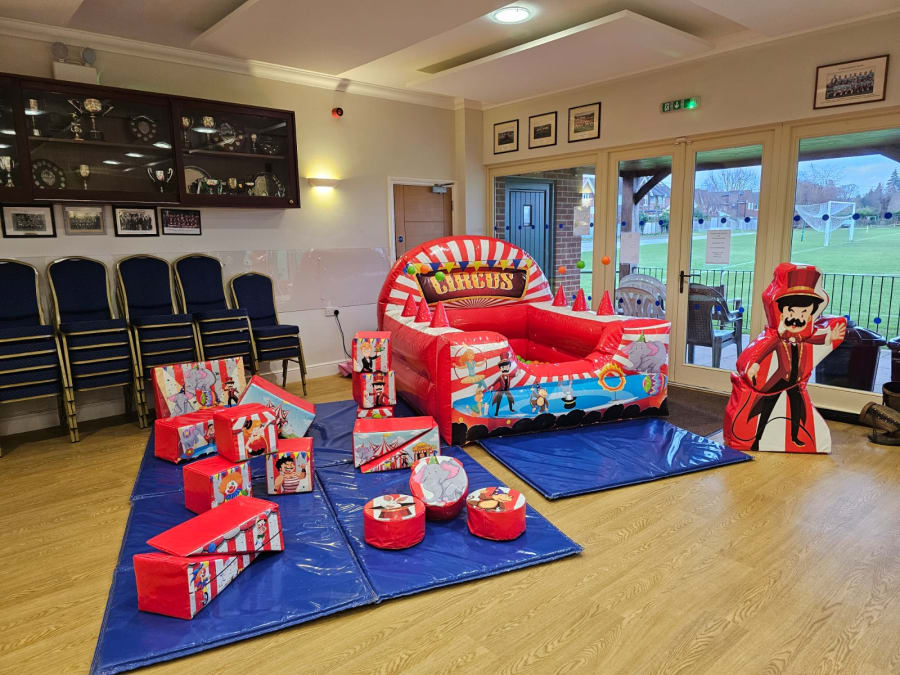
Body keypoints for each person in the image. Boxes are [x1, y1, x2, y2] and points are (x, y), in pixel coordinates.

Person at [725, 263, 846, 452]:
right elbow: (762, 349)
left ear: (810, 314)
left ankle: (795, 437)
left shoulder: (803, 337)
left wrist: (829, 337)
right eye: (792, 311)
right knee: (766, 408)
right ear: (781, 312)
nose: (797, 317)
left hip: (796, 382)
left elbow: (816, 338)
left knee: (797, 411)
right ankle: (757, 437)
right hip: (780, 380)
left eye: (804, 312)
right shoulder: (776, 337)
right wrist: (754, 365)